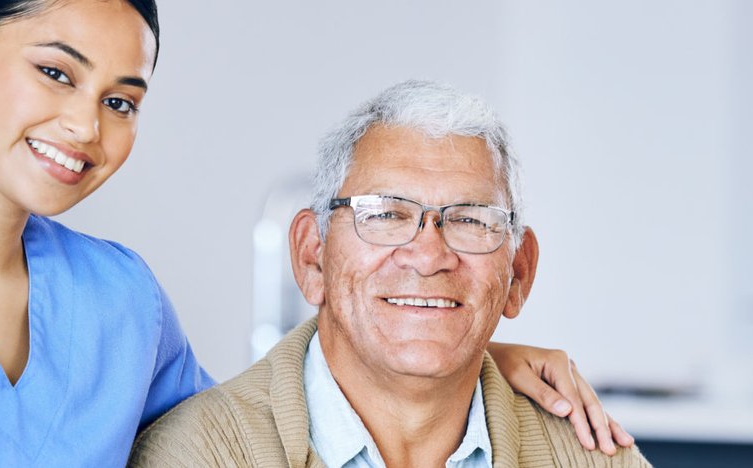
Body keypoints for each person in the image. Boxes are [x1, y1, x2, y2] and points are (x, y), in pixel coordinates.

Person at [0, 0, 630, 466]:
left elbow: (264, 426)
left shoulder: (118, 297)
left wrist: (454, 351)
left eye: (122, 100)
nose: (84, 125)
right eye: (56, 71)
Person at [130, 81, 652, 467]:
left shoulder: (591, 455)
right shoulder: (202, 454)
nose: (428, 256)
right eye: (385, 215)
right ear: (313, 257)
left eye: (470, 219)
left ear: (518, 273)